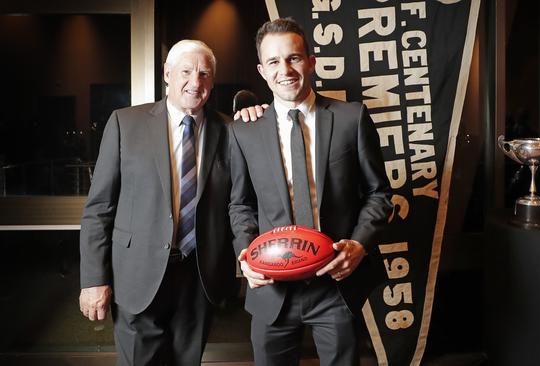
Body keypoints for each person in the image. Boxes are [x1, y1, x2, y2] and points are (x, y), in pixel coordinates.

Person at [229, 18, 393, 366]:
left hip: (335, 282)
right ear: (261, 70)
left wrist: (360, 244)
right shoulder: (244, 131)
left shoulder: (351, 118)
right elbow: (240, 204)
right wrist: (246, 253)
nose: (284, 70)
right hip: (271, 288)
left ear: (311, 61)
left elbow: (379, 194)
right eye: (273, 61)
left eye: (294, 58)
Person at [78, 39, 235, 365]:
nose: (196, 82)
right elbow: (99, 209)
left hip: (199, 279)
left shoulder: (231, 131)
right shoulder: (126, 123)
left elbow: (241, 202)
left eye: (204, 73)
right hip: (137, 276)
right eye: (186, 71)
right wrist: (94, 279)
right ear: (167, 73)